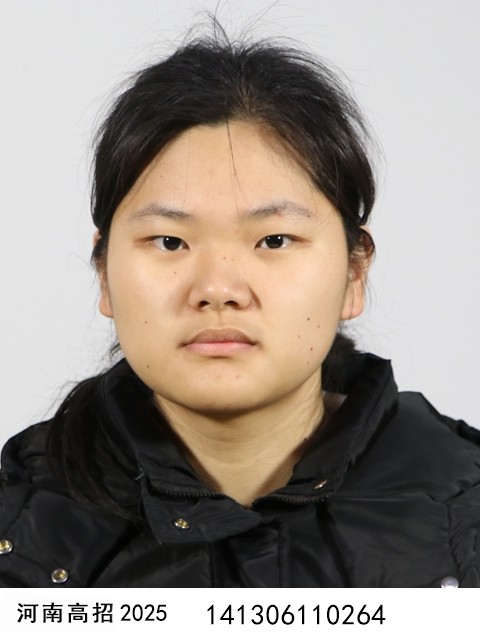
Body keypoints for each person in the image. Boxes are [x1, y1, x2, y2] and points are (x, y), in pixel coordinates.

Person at [1, 26, 479, 589]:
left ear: (355, 271)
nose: (218, 288)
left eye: (274, 240)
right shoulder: (17, 527)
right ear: (104, 271)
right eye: (170, 242)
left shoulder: (464, 513)